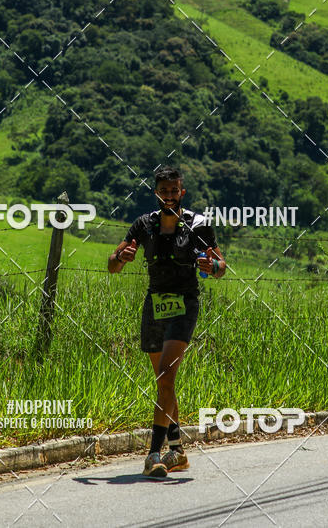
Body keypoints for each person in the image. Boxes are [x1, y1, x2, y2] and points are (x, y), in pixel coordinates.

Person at [108, 165, 226, 478]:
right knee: (164, 383)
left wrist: (210, 264)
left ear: (181, 192)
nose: (170, 196)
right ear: (157, 193)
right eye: (165, 191)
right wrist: (122, 257)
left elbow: (221, 265)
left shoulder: (197, 225)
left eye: (175, 191)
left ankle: (153, 454)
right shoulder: (144, 225)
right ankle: (178, 451)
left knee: (166, 376)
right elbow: (111, 265)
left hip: (185, 305)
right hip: (154, 305)